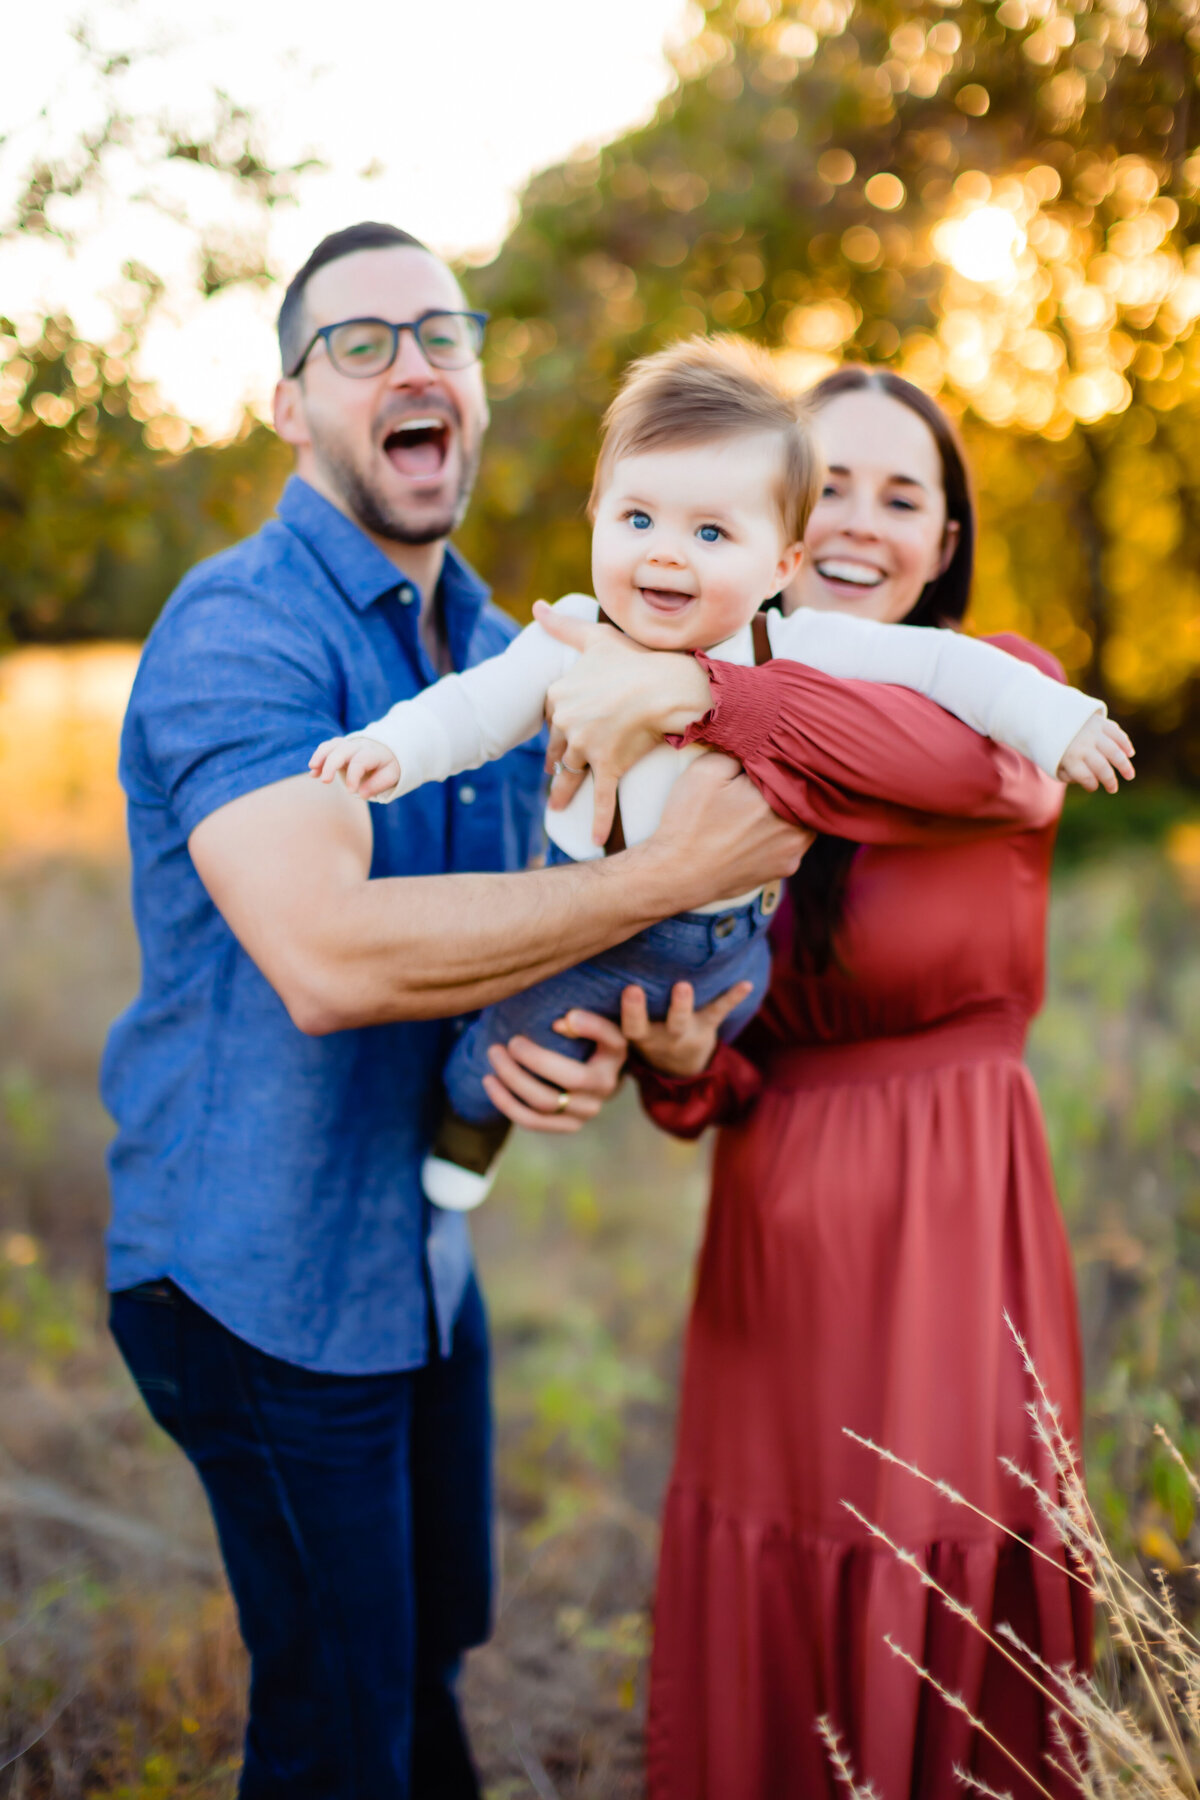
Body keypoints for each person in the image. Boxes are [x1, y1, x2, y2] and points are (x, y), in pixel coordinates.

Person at [99, 222, 808, 1800]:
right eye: (361, 343)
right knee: (339, 1734)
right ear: (288, 405)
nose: (415, 365)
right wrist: (663, 878)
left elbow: (564, 917)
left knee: (423, 1674)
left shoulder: (513, 646)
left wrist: (640, 1030)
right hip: (256, 1271)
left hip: (417, 1262)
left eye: (445, 332)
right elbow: (332, 957)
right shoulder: (244, 630)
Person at [536, 367, 1107, 1798]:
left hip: (957, 1224)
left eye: (901, 497)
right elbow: (718, 1054)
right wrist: (679, 1065)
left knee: (948, 1554)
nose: (861, 523)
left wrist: (698, 681)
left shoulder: (1010, 696)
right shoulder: (726, 758)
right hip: (778, 1237)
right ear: (783, 524)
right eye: (830, 485)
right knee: (780, 1587)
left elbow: (992, 774)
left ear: (946, 543)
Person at [310, 337, 1126, 1212]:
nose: (668, 553)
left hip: (739, 955)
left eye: (709, 532)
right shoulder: (571, 637)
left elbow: (949, 670)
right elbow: (471, 711)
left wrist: (1059, 718)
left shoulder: (796, 648)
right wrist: (392, 751)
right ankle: (472, 1135)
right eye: (637, 520)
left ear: (782, 562)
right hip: (600, 929)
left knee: (661, 1027)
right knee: (513, 1040)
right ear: (596, 515)